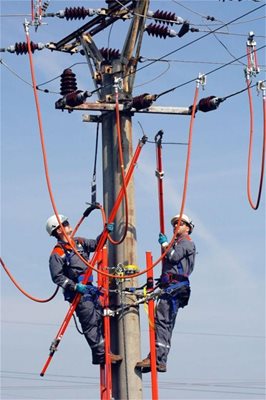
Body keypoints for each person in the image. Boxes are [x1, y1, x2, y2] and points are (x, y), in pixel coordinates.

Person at [46, 213, 123, 366]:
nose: (69, 225)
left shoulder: (79, 242)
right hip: (78, 293)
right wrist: (74, 286)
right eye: (65, 223)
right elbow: (57, 277)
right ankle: (101, 355)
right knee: (90, 322)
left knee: (100, 317)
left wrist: (105, 233)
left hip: (89, 288)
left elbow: (96, 244)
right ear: (59, 230)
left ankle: (101, 353)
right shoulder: (58, 253)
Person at [136, 213, 196, 373]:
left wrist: (164, 245)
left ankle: (157, 359)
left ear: (188, 228)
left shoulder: (186, 243)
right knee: (164, 323)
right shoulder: (178, 243)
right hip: (172, 286)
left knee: (163, 322)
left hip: (174, 289)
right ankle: (158, 358)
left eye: (181, 223)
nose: (176, 226)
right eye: (175, 224)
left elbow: (174, 257)